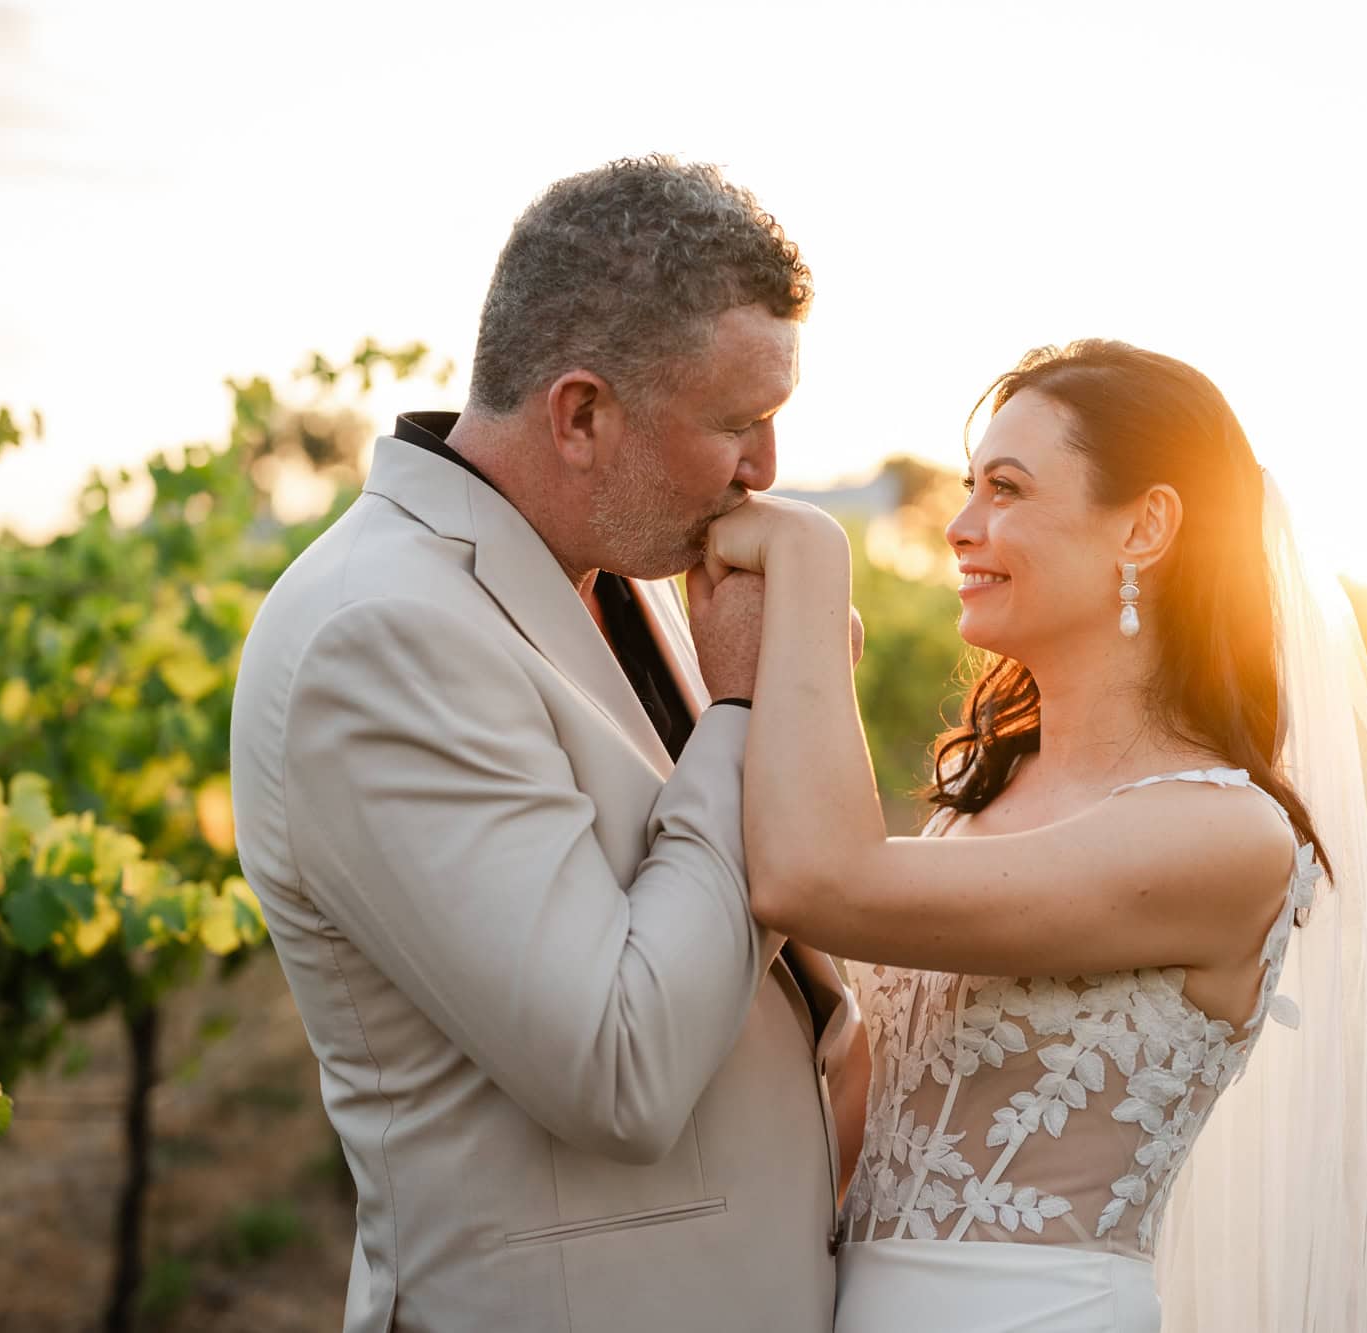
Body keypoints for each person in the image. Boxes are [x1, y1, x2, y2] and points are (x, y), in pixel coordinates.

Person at [228, 156, 857, 1333]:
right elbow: (619, 1066)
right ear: (580, 414)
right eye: (738, 422)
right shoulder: (381, 636)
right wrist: (745, 716)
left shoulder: (628, 575)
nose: (764, 469)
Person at [703, 340, 1367, 1331]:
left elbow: (815, 880)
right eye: (967, 486)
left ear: (1147, 526)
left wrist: (808, 566)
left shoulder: (1224, 835)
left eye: (1005, 489)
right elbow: (861, 1105)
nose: (958, 526)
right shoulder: (974, 806)